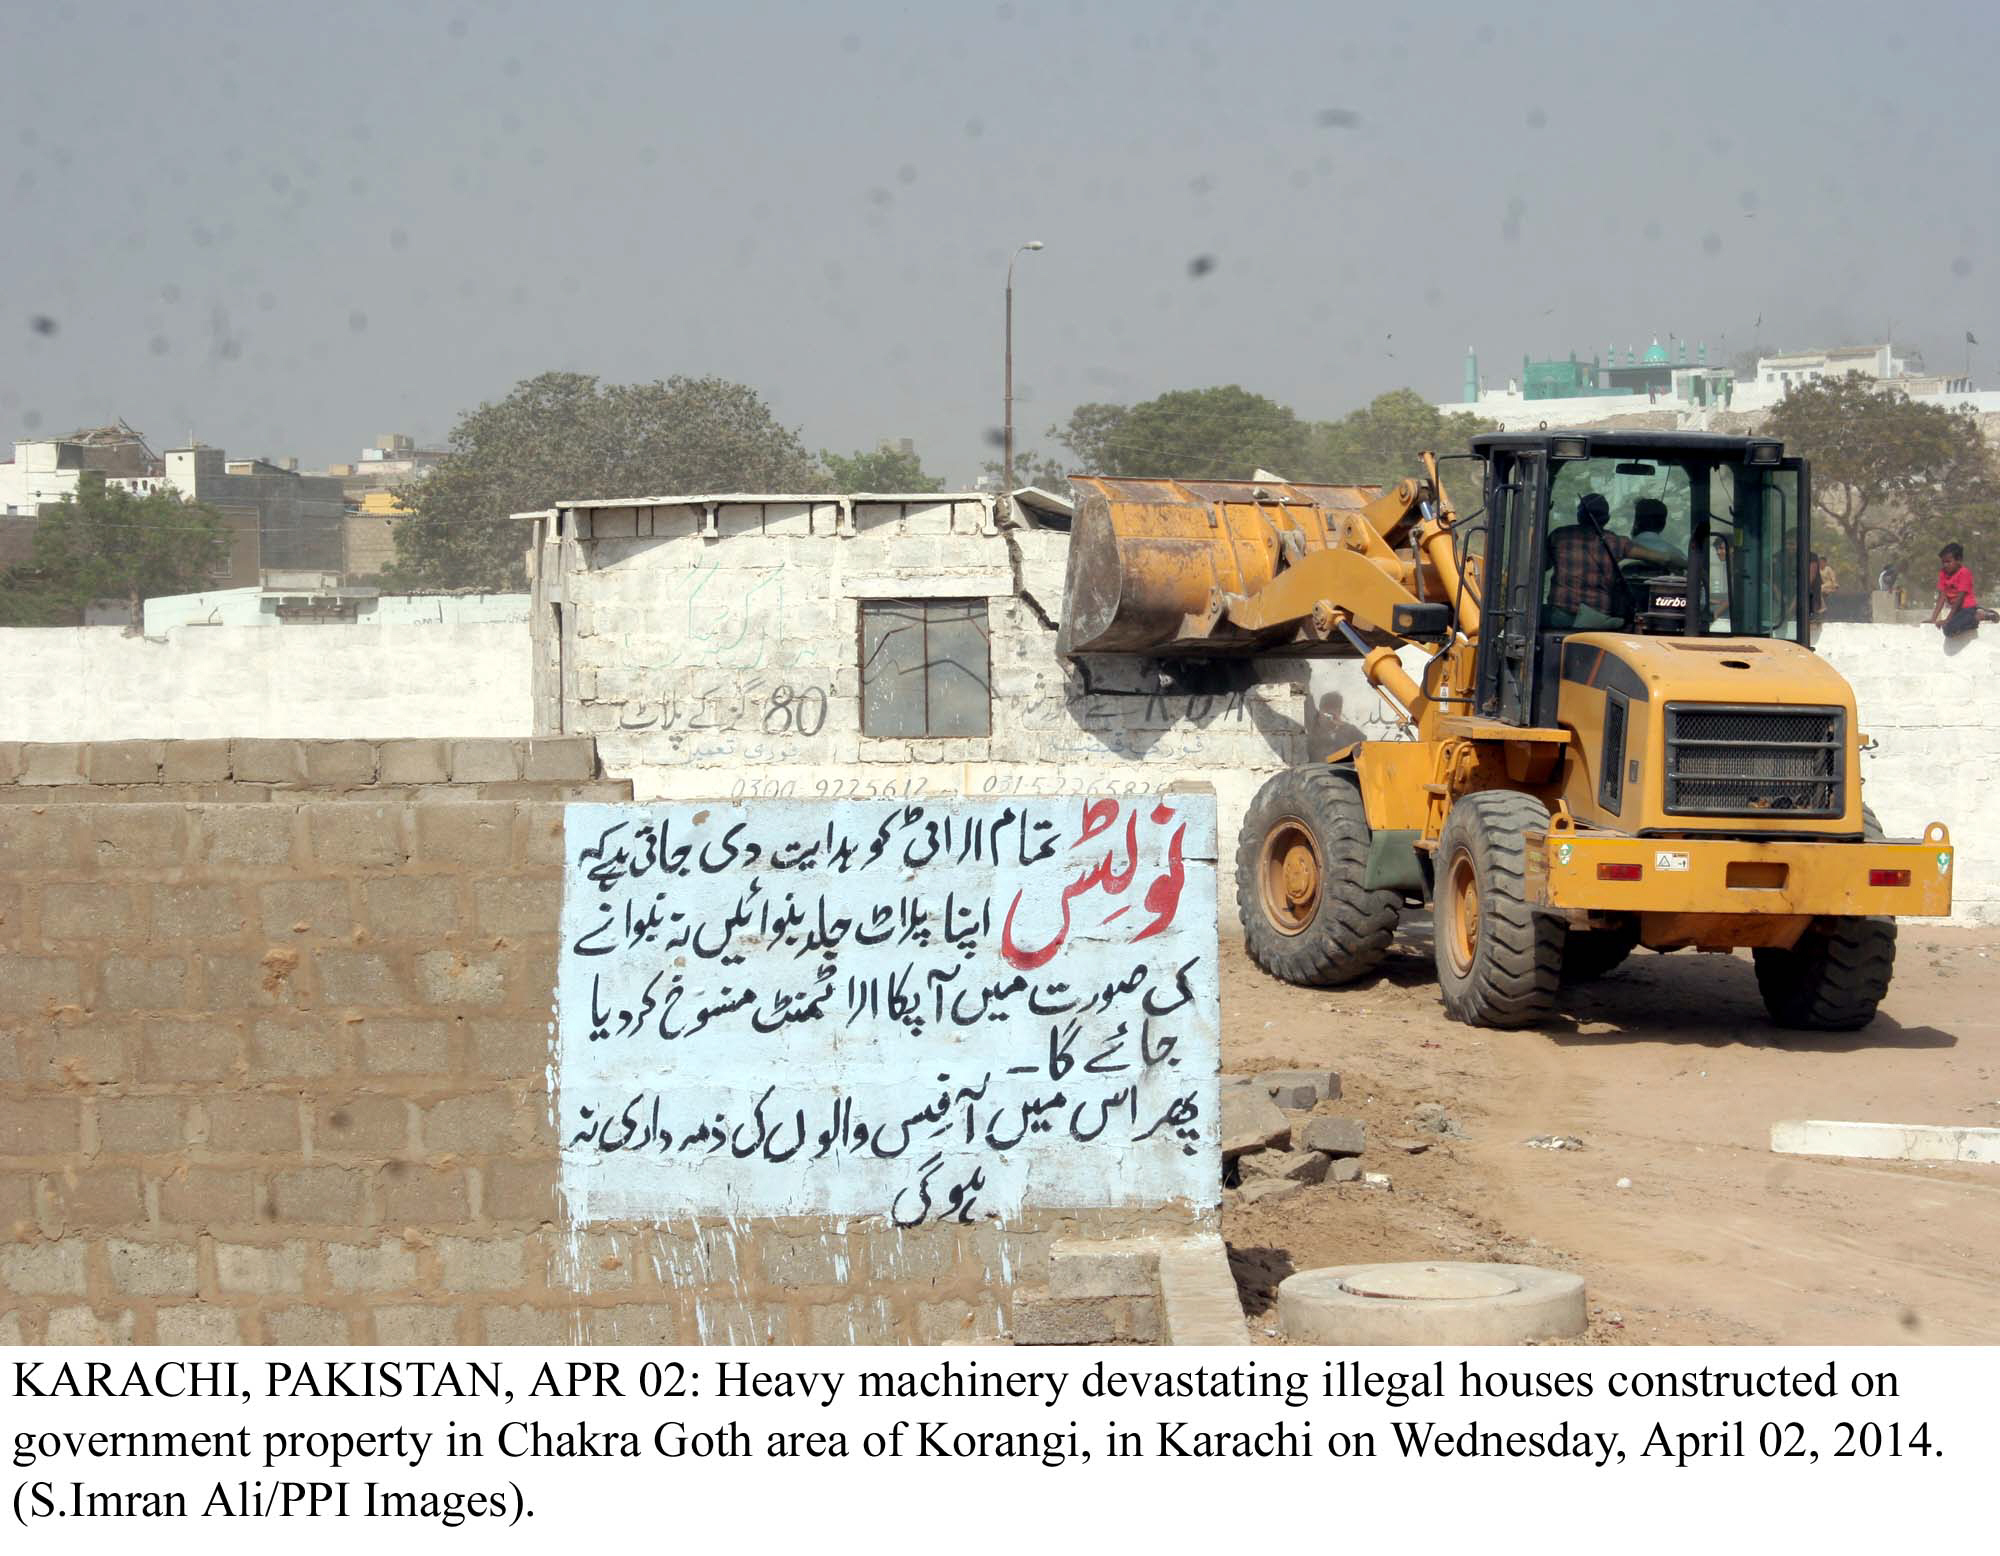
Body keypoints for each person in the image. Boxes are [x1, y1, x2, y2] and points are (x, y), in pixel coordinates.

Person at [1546, 492, 1679, 628]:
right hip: (1597, 620)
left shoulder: (1559, 536)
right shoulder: (1616, 542)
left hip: (1560, 616)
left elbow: (1543, 565)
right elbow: (1665, 559)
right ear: (1607, 519)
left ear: (1579, 516)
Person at [1931, 542, 1998, 637]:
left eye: (1948, 562)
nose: (1945, 565)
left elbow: (1959, 599)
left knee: (1949, 629)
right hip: (1957, 611)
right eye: (1943, 562)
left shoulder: (1964, 573)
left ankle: (1982, 616)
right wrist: (1933, 618)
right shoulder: (1943, 573)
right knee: (1948, 627)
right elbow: (1942, 596)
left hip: (1967, 609)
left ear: (1959, 560)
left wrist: (1948, 619)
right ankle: (1975, 614)